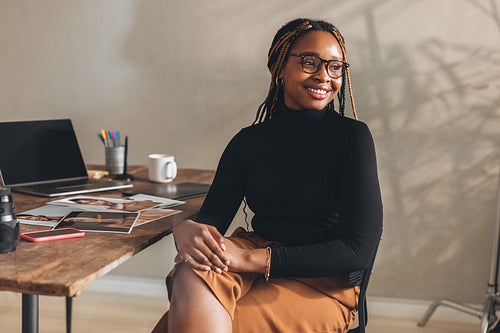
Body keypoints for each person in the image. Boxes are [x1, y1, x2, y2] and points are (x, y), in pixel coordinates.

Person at [152, 18, 383, 333]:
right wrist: (185, 232)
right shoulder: (248, 141)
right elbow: (212, 220)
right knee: (193, 267)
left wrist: (247, 261)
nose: (324, 76)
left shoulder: (352, 137)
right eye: (310, 62)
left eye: (335, 67)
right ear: (279, 67)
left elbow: (359, 249)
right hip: (251, 257)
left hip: (319, 280)